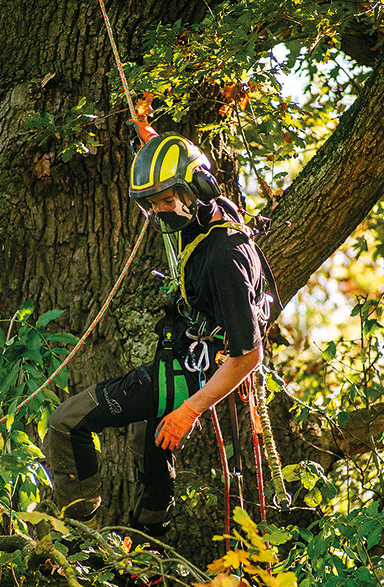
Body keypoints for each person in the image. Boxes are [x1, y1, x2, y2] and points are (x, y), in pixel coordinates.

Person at [43, 133, 272, 538]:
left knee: (65, 424)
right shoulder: (213, 211)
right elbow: (176, 167)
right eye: (151, 202)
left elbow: (248, 355)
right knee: (148, 450)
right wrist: (147, 135)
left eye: (167, 200)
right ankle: (146, 550)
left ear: (197, 190)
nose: (159, 211)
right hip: (182, 356)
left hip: (190, 372)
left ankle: (77, 536)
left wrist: (189, 411)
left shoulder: (224, 256)